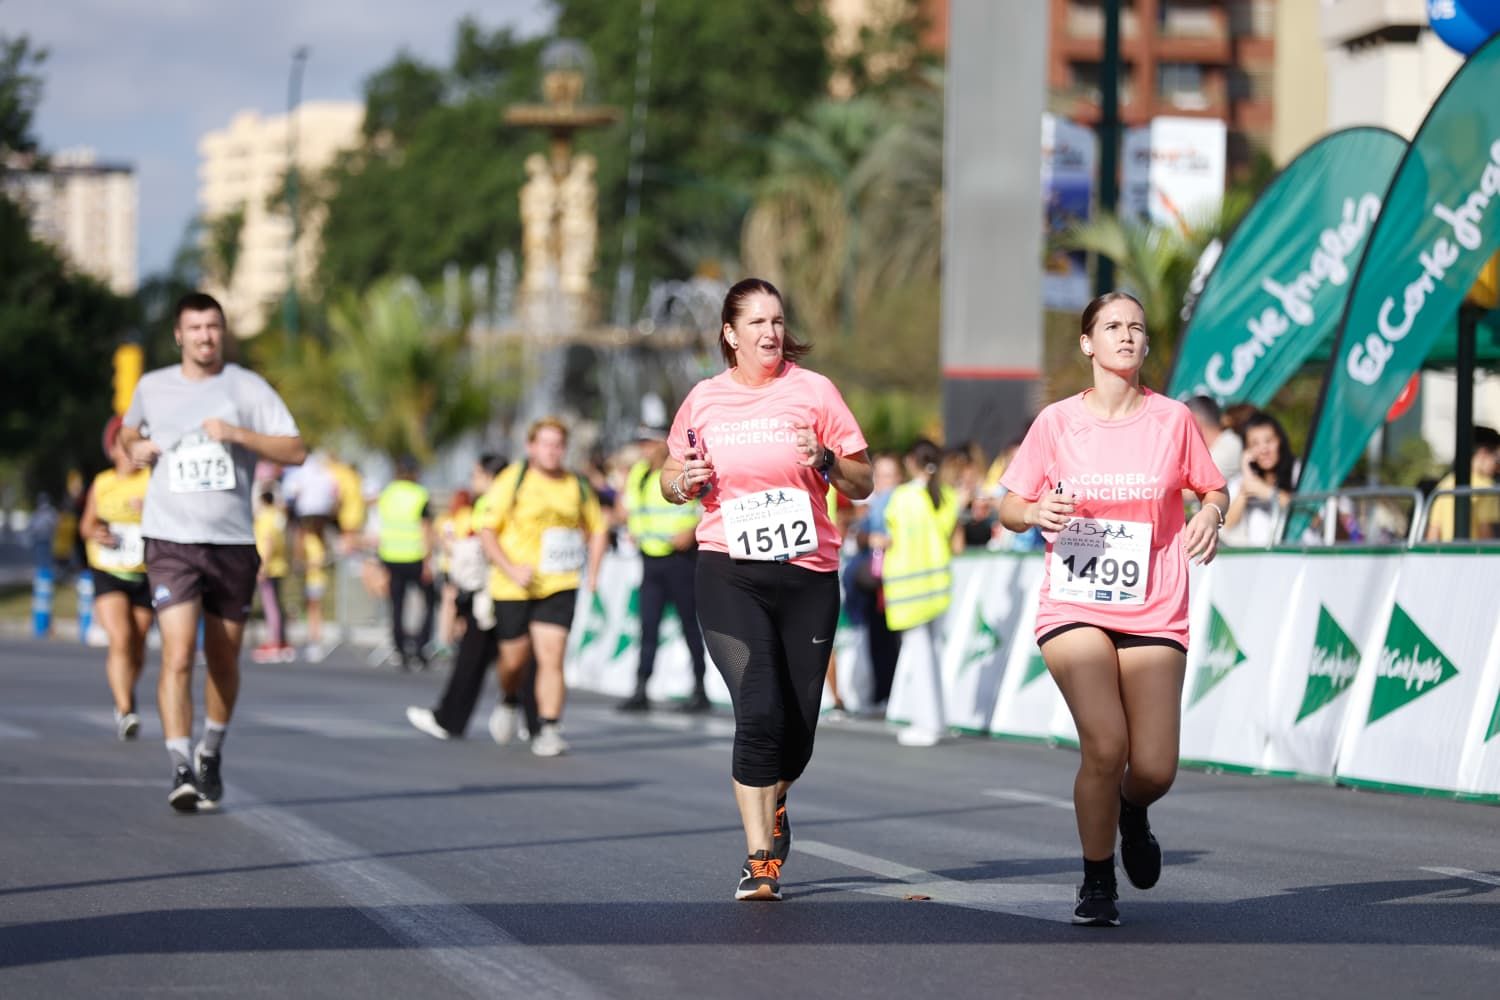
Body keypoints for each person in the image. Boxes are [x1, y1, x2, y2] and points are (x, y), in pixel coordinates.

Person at [997, 291, 1226, 927]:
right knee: (1106, 742)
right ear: (1087, 343)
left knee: (1152, 766)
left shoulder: (1173, 420)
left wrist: (1210, 512)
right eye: (1112, 327)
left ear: (1147, 345)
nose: (1125, 336)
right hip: (1073, 601)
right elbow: (1009, 504)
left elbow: (1213, 484)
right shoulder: (1057, 423)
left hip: (1154, 606)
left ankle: (1133, 808)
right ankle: (1097, 879)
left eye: (1136, 328)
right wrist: (1035, 512)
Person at [661, 277, 872, 902]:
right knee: (758, 709)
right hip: (729, 570)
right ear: (730, 334)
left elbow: (861, 481)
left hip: (807, 573)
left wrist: (827, 460)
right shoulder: (703, 399)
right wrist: (682, 483)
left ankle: (776, 797)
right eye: (755, 323)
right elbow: (669, 475)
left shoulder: (815, 392)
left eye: (777, 321)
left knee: (798, 728)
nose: (770, 333)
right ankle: (760, 861)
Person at [119, 291, 306, 811]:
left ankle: (211, 750)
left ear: (223, 332)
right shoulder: (153, 386)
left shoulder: (247, 387)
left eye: (213, 327)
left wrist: (238, 434)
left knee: (223, 656)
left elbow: (295, 449)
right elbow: (127, 436)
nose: (205, 336)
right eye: (195, 328)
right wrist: (133, 448)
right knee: (178, 653)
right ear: (179, 335)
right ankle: (180, 766)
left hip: (231, 542)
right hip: (171, 539)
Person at [478, 419, 608, 757]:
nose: (552, 451)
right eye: (545, 444)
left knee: (552, 655)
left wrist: (593, 574)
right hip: (515, 584)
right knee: (514, 661)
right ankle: (508, 698)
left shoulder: (576, 484)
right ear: (531, 447)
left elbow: (597, 529)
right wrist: (510, 568)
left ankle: (549, 727)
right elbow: (487, 531)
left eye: (557, 445)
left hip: (560, 582)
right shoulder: (513, 480)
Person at [407, 453, 512, 739]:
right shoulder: (481, 505)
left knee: (504, 657)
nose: (472, 480)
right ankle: (453, 717)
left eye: (476, 475)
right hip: (486, 591)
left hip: (500, 591)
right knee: (485, 655)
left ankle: (526, 715)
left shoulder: (497, 503)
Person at [617, 424, 708, 713]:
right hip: (651, 557)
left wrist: (692, 531)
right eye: (641, 444)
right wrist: (632, 529)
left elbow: (707, 505)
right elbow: (632, 510)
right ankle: (641, 687)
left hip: (681, 558)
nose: (644, 449)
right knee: (648, 625)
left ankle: (699, 688)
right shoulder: (640, 474)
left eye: (649, 443)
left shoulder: (684, 469)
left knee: (690, 625)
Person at [882, 439, 963, 747]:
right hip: (938, 587)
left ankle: (927, 723)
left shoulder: (902, 497)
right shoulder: (947, 497)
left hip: (908, 587)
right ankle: (937, 720)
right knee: (932, 656)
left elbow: (889, 535)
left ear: (912, 463)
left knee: (920, 659)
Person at [79, 416, 153, 740]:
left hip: (146, 571)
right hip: (107, 569)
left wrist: (150, 510)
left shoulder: (153, 481)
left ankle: (127, 690)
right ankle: (125, 709)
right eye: (122, 448)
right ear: (112, 450)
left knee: (137, 644)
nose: (128, 455)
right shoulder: (103, 482)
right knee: (120, 637)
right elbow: (85, 526)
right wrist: (97, 532)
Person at [376, 456, 437, 670]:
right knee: (430, 602)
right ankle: (420, 647)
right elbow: (426, 528)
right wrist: (429, 559)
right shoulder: (419, 494)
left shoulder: (387, 494)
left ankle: (400, 648)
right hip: (414, 556)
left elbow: (381, 524)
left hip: (390, 555)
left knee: (397, 605)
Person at [1220, 410, 1296, 548]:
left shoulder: (1298, 471)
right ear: (1246, 449)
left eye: (1269, 441)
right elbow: (1227, 525)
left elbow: (1310, 513)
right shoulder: (1241, 481)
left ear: (1280, 440)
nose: (1264, 449)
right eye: (1255, 444)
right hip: (1258, 560)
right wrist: (1246, 480)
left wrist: (1266, 491)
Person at [1425, 425, 1500, 541]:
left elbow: (1433, 534)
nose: (1497, 466)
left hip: (1447, 555)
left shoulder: (1445, 484)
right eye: (1496, 458)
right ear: (1483, 453)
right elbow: (1486, 534)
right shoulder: (1487, 488)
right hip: (1476, 556)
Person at [251, 485, 295, 663]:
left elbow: (267, 542)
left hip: (269, 567)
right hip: (279, 565)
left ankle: (274, 642)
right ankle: (281, 641)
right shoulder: (278, 517)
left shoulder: (265, 518)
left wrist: (263, 565)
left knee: (271, 606)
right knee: (276, 604)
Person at [1186, 395, 1243, 486]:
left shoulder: (1230, 444)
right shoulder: (1207, 450)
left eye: (1182, 422)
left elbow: (1193, 489)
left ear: (1195, 420)